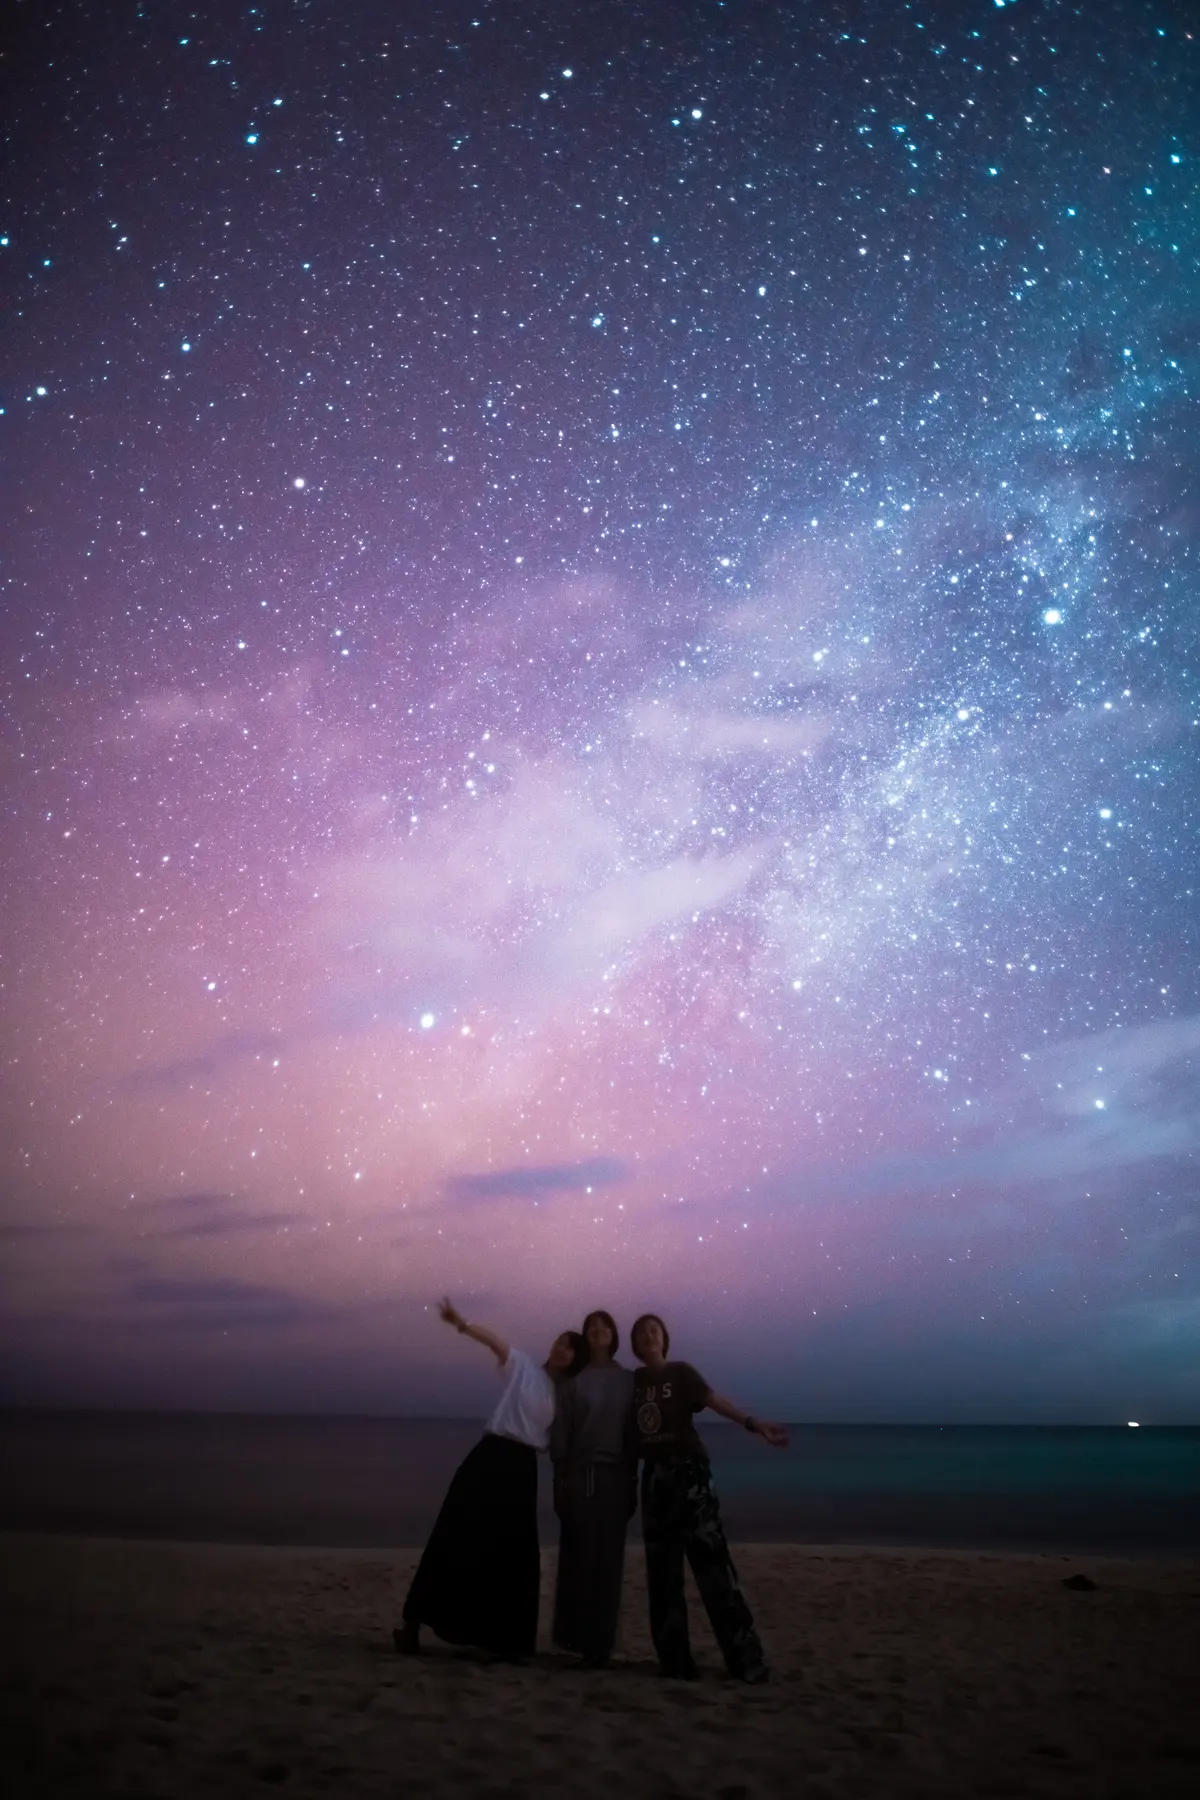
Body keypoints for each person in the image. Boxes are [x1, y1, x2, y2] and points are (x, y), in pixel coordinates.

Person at [394, 1299, 585, 1661]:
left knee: (512, 1552)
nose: (563, 1349)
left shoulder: (564, 1397)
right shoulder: (525, 1367)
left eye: (571, 1348)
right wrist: (461, 1324)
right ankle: (412, 1627)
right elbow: (496, 1342)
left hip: (522, 1468)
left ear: (576, 1359)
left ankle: (507, 1642)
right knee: (453, 1532)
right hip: (491, 1455)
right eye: (562, 1342)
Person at [629, 1311, 788, 1683]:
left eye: (654, 1330)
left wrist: (753, 1424)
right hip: (653, 1479)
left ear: (664, 1339)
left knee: (714, 1567)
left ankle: (747, 1661)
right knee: (662, 1576)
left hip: (689, 1474)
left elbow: (714, 1400)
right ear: (635, 1345)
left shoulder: (681, 1372)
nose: (649, 1336)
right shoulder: (632, 1382)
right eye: (641, 1333)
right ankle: (675, 1663)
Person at [550, 1308, 637, 1668]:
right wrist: (560, 1481)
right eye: (591, 1327)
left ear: (614, 1336)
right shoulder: (575, 1381)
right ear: (586, 1337)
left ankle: (601, 1644)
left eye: (604, 1326)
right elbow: (561, 1434)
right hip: (581, 1473)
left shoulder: (629, 1380)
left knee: (609, 1561)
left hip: (617, 1475)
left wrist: (632, 1480)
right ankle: (579, 1641)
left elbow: (633, 1434)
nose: (598, 1331)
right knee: (581, 1557)